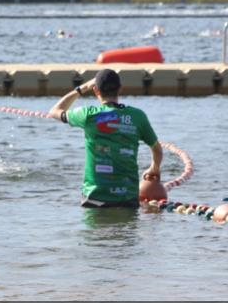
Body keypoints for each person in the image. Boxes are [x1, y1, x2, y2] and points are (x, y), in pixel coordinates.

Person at [48, 68, 163, 208]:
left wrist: (82, 88)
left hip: (94, 197)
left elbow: (54, 111)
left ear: (96, 90)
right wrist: (154, 168)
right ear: (120, 89)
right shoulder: (137, 116)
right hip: (127, 198)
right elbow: (156, 149)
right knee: (126, 230)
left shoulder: (88, 115)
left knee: (96, 230)